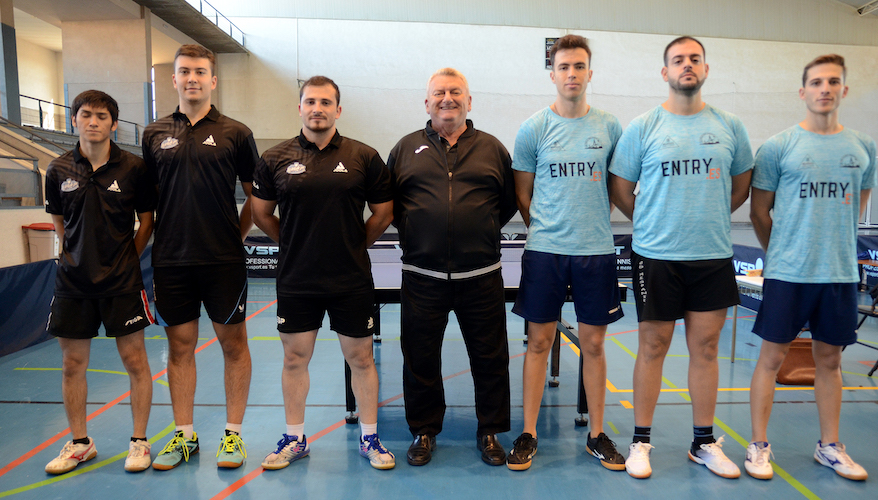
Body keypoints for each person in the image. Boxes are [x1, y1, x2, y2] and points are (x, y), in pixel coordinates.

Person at [608, 36, 753, 479]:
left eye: (694, 59)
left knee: (705, 349)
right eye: (677, 60)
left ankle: (703, 442)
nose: (686, 66)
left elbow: (741, 184)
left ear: (705, 69)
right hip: (656, 256)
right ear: (665, 72)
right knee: (653, 346)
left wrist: (702, 216)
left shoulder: (730, 125)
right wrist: (654, 219)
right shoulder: (643, 127)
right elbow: (619, 186)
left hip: (710, 255)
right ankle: (641, 441)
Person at [251, 76, 396, 470]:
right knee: (295, 358)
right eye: (310, 101)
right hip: (298, 279)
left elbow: (384, 212)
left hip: (350, 278)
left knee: (362, 358)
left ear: (338, 109)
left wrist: (354, 244)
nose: (318, 108)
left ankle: (370, 438)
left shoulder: (363, 156)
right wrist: (294, 243)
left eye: (326, 102)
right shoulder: (275, 158)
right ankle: (295, 438)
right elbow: (261, 213)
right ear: (299, 107)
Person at [745, 54, 873, 482]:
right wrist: (783, 251)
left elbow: (857, 207)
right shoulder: (779, 147)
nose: (824, 88)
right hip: (788, 273)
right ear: (803, 92)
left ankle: (830, 446)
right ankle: (759, 445)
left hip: (838, 275)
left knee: (830, 362)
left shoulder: (864, 147)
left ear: (843, 90)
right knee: (770, 359)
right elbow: (760, 213)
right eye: (816, 82)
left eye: (833, 81)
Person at [506, 35, 625, 472]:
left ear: (589, 73)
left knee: (593, 344)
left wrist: (587, 224)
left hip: (595, 251)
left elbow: (616, 189)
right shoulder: (534, 128)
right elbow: (523, 193)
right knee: (539, 341)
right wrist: (550, 228)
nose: (571, 74)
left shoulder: (610, 127)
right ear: (553, 74)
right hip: (545, 252)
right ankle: (529, 432)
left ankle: (596, 435)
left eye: (579, 66)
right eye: (564, 67)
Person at [388, 68, 517, 466]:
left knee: (490, 358)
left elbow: (508, 202)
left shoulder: (493, 149)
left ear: (469, 101)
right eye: (439, 92)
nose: (448, 98)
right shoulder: (405, 148)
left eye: (456, 92)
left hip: (481, 276)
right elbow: (391, 206)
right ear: (427, 103)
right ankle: (424, 431)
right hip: (422, 278)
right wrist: (418, 230)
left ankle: (490, 431)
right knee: (421, 358)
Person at [142, 44, 259, 470]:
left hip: (222, 260)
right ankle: (185, 437)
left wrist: (237, 232)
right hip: (172, 261)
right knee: (180, 347)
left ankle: (233, 436)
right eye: (184, 71)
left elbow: (255, 198)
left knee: (234, 345)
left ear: (213, 80)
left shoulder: (236, 133)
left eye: (201, 72)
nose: (192, 78)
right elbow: (150, 201)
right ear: (173, 80)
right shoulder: (154, 134)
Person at [43, 90, 156, 474]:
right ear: (74, 119)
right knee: (72, 363)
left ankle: (139, 442)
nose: (93, 121)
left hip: (122, 282)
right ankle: (79, 443)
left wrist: (127, 257)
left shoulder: (134, 169)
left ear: (113, 124)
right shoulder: (58, 170)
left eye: (102, 116)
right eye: (86, 114)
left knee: (135, 361)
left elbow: (147, 222)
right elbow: (60, 225)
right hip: (73, 283)